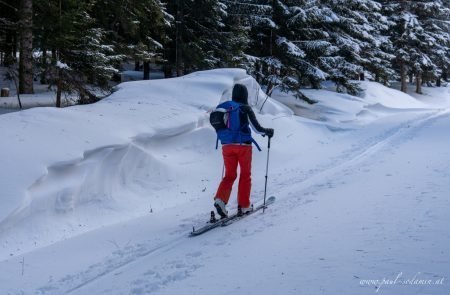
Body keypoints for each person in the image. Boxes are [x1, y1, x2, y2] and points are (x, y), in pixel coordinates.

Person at [214, 84, 274, 218]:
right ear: (245, 95)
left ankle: (220, 199)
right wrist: (268, 131)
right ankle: (244, 205)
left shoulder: (227, 108)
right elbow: (257, 129)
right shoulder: (245, 108)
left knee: (229, 175)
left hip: (227, 146)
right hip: (243, 147)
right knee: (245, 175)